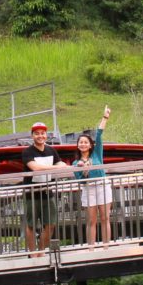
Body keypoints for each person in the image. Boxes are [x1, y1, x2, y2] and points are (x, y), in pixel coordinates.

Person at [20, 121, 67, 254]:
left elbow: (61, 163)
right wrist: (55, 167)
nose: (40, 136)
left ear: (46, 135)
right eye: (37, 134)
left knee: (51, 224)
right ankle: (32, 253)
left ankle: (41, 251)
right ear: (32, 136)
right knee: (31, 225)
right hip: (31, 193)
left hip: (47, 191)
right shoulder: (27, 152)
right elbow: (35, 168)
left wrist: (59, 165)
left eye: (42, 133)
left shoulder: (51, 150)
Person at [74, 106, 113, 245]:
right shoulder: (75, 163)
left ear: (90, 145)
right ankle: (91, 248)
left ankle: (106, 246)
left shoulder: (97, 154)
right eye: (81, 142)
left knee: (105, 218)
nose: (83, 144)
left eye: (86, 142)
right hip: (89, 189)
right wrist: (84, 171)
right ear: (78, 145)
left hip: (102, 186)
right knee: (91, 220)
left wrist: (105, 117)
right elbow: (81, 182)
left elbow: (99, 134)